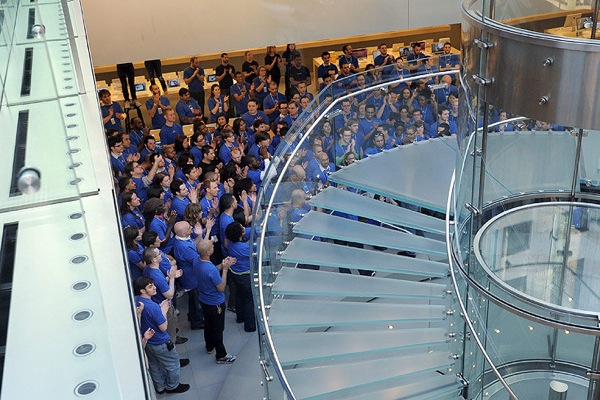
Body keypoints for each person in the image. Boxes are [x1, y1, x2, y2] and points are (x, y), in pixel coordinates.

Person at [134, 276, 190, 394]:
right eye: (150, 286)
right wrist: (163, 310)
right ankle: (172, 386)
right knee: (173, 363)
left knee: (154, 365)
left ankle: (159, 387)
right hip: (160, 342)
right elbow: (163, 327)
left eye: (153, 285)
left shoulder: (136, 300)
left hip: (148, 342)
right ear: (143, 291)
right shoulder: (153, 307)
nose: (155, 288)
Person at [194, 238, 238, 363]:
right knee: (218, 329)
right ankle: (221, 355)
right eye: (211, 246)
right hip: (215, 303)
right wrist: (225, 269)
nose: (213, 245)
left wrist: (222, 264)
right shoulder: (210, 270)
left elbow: (211, 271)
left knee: (208, 324)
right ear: (208, 252)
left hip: (204, 299)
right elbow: (221, 287)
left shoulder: (197, 261)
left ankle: (209, 346)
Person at [224, 222, 255, 332]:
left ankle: (240, 317)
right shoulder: (245, 247)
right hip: (245, 275)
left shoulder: (231, 243)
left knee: (239, 296)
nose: (244, 228)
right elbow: (254, 251)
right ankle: (250, 326)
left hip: (235, 273)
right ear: (240, 233)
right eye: (242, 228)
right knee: (249, 300)